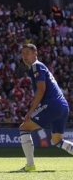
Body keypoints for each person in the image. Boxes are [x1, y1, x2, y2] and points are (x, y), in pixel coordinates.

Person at [19, 44, 72, 172]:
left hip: (52, 104)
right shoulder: (40, 67)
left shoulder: (36, 66)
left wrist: (31, 110)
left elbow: (41, 89)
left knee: (24, 127)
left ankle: (30, 165)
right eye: (23, 53)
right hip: (63, 106)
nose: (24, 56)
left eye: (27, 53)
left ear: (35, 54)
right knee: (57, 141)